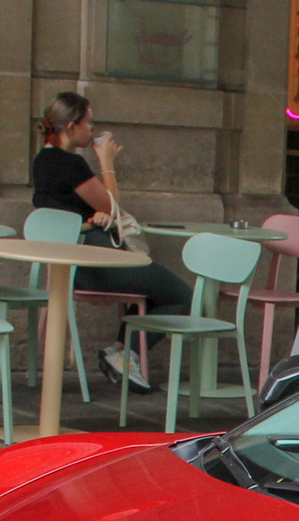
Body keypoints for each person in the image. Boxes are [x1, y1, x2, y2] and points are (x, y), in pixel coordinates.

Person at [30, 92, 193, 392]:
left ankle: (125, 352)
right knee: (180, 294)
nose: (92, 129)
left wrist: (89, 220)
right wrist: (106, 160)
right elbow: (112, 206)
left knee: (157, 288)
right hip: (97, 262)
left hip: (65, 265)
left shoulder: (42, 161)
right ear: (71, 127)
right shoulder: (70, 164)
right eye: (89, 122)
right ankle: (124, 351)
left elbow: (55, 211)